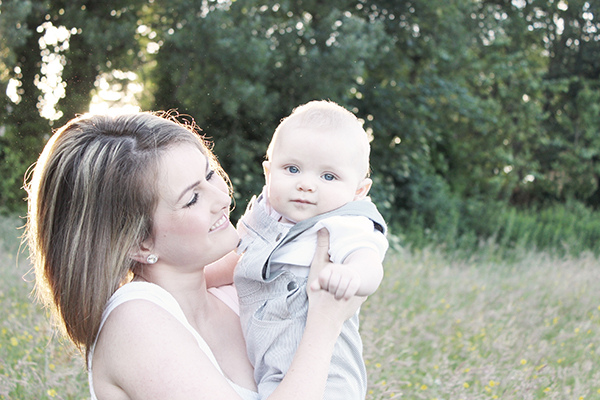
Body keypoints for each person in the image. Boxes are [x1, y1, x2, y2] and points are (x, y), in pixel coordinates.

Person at [25, 111, 366, 400]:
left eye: (208, 175)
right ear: (139, 243)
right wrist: (325, 324)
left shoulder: (240, 292)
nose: (222, 199)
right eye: (192, 198)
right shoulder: (135, 321)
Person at [233, 100, 389, 399]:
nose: (306, 184)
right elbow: (235, 259)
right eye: (292, 169)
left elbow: (369, 261)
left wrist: (352, 275)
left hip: (329, 374)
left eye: (328, 176)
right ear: (268, 173)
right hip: (270, 365)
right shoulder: (263, 214)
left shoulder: (344, 222)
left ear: (359, 191)